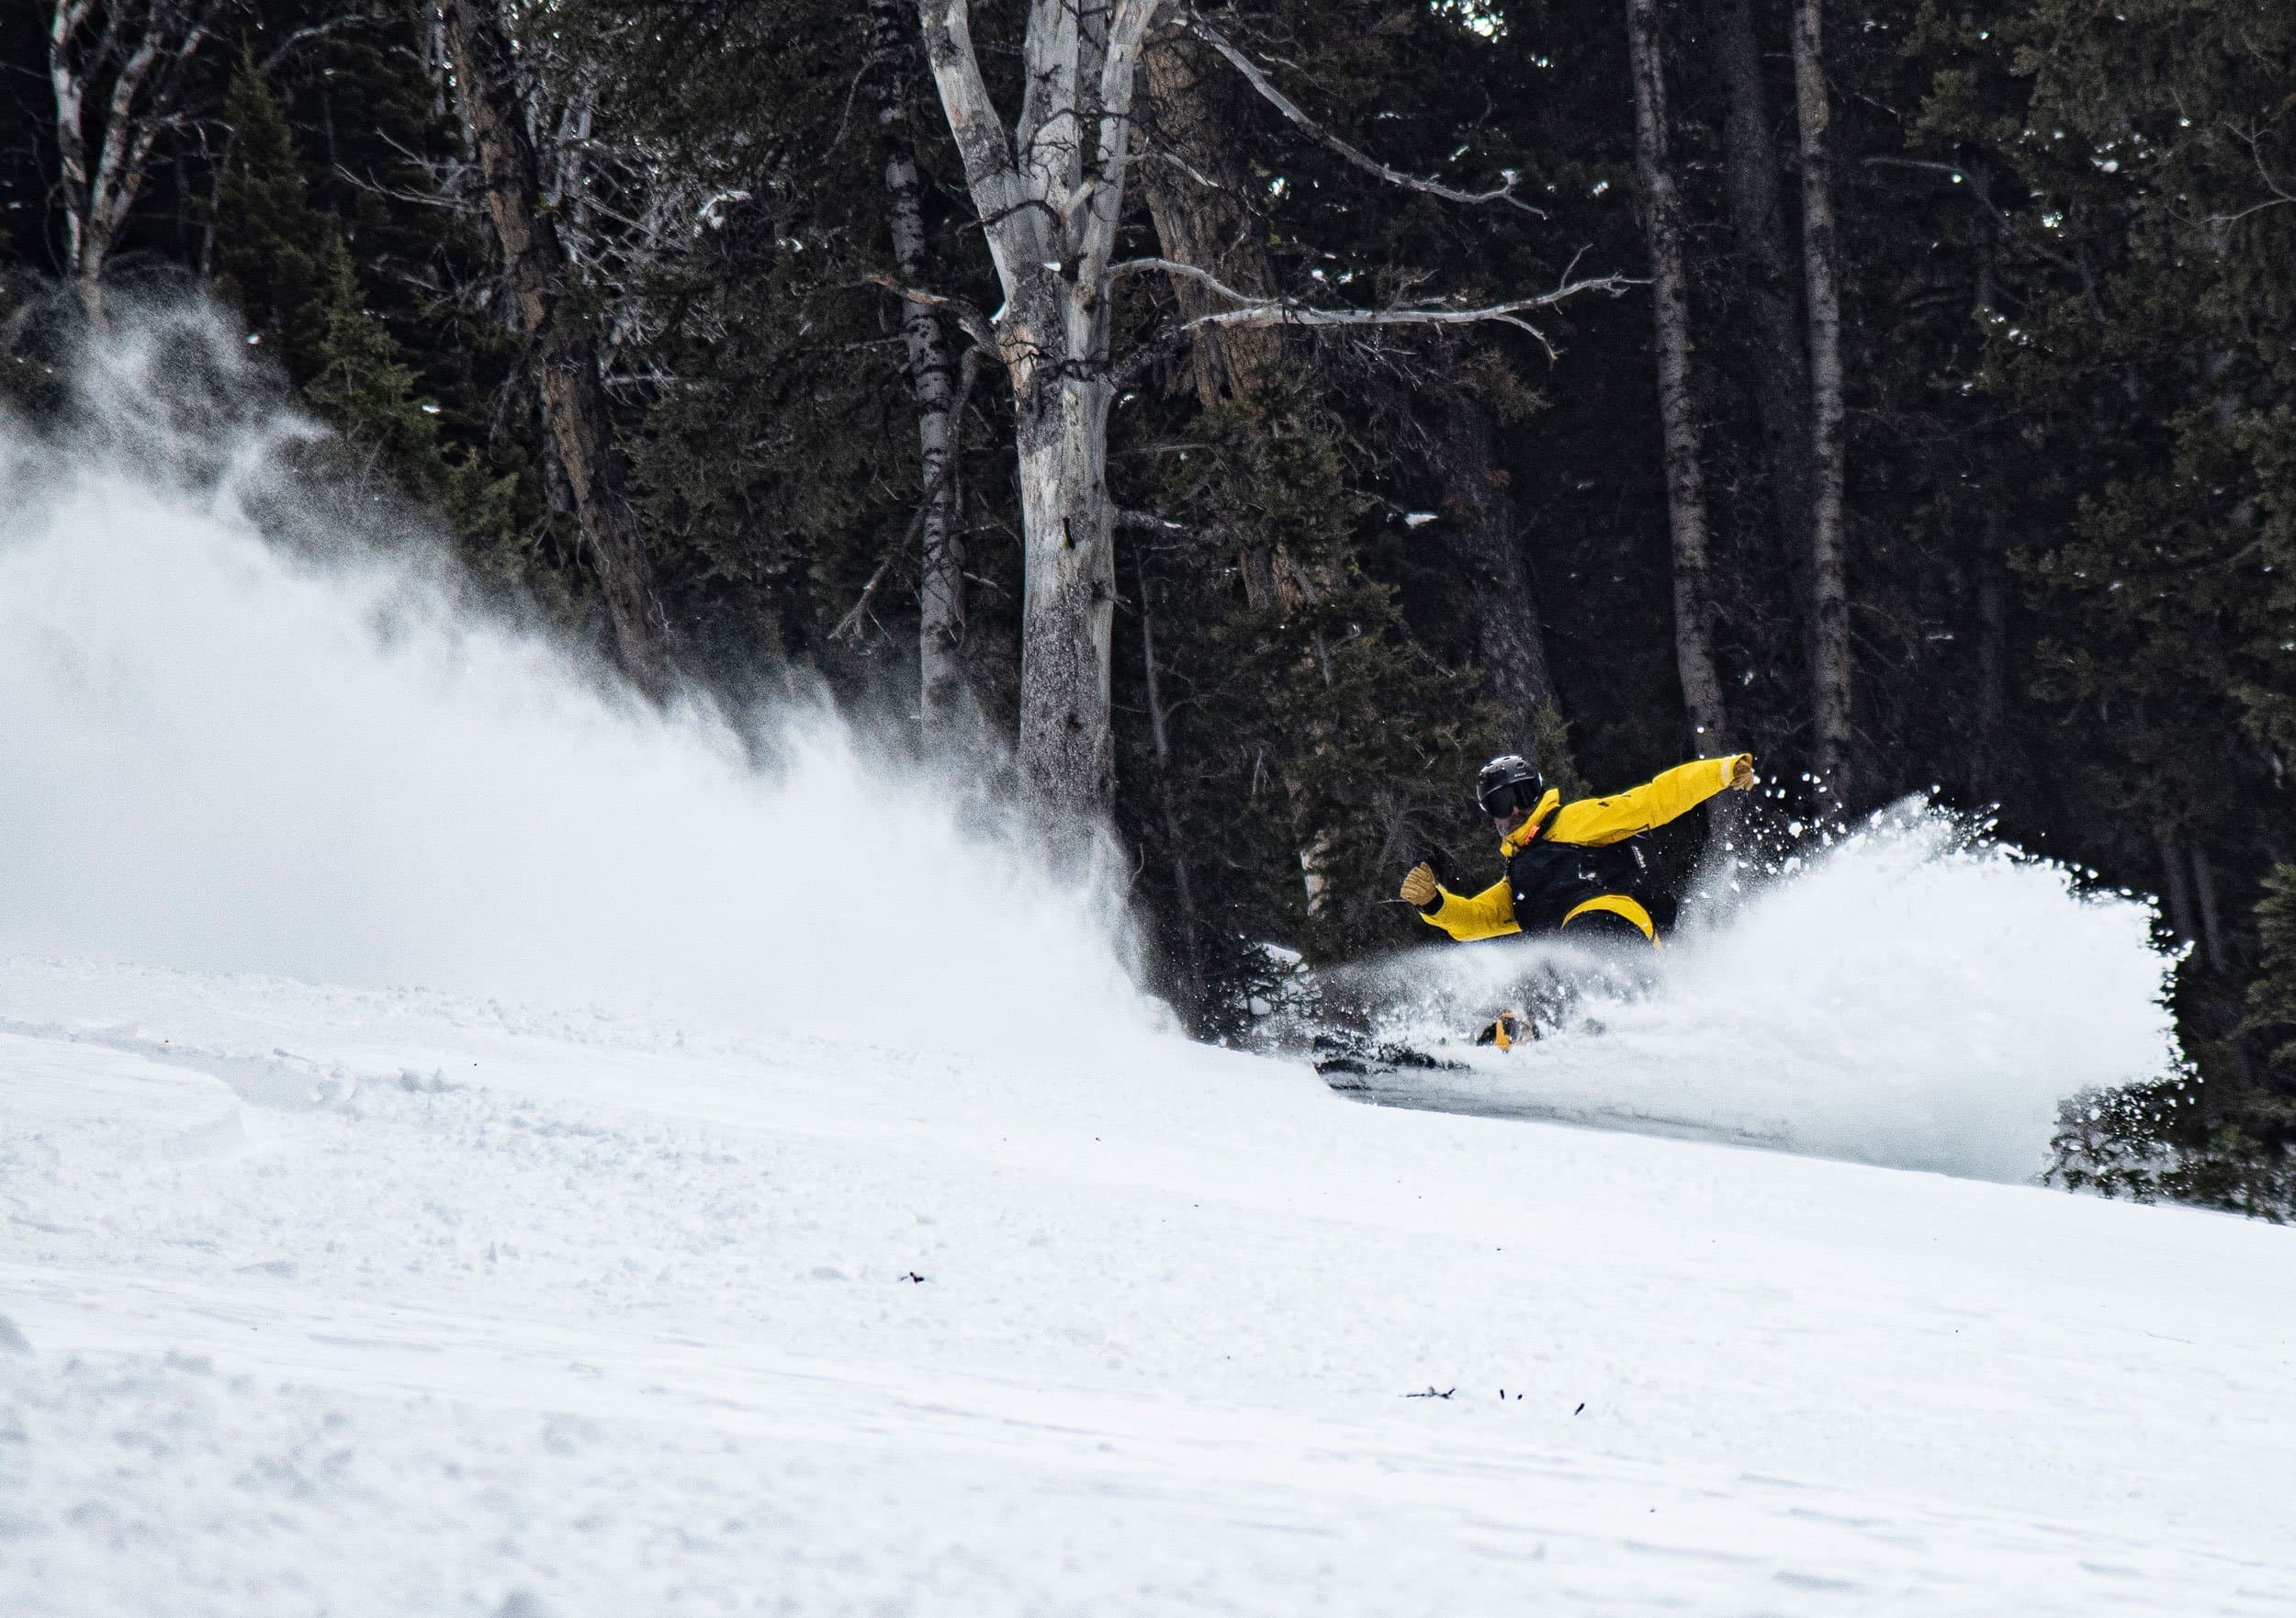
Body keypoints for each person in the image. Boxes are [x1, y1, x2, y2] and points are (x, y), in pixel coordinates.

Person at [1400, 751, 1756, 947]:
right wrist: (1433, 903)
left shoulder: (1575, 820)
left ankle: (1544, 1023)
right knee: (1540, 969)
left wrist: (1722, 772)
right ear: (1491, 816)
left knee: (1562, 958)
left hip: (1613, 923)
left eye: (1522, 795)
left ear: (1538, 794)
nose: (1516, 810)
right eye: (1501, 804)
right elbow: (1474, 920)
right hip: (1579, 956)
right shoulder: (1519, 879)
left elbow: (1653, 801)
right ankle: (1515, 1039)